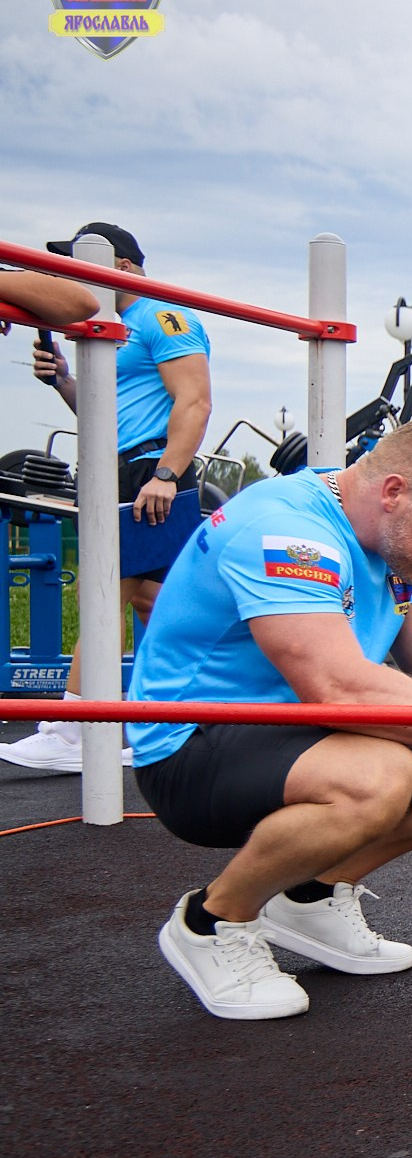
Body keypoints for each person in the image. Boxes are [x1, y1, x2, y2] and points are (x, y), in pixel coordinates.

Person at [130, 419, 412, 1020]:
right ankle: (211, 922)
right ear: (392, 491)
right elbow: (336, 685)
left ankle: (308, 896)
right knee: (383, 773)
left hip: (300, 738)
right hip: (189, 750)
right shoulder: (289, 529)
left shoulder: (402, 545)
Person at [0, 223, 212, 774]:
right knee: (155, 602)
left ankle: (76, 729)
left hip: (149, 472)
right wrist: (68, 384)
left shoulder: (163, 316)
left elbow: (194, 401)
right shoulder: (106, 327)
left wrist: (166, 474)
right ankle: (207, 706)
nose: (73, 275)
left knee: (101, 596)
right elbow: (109, 418)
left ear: (123, 267)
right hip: (121, 468)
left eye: (82, 262)